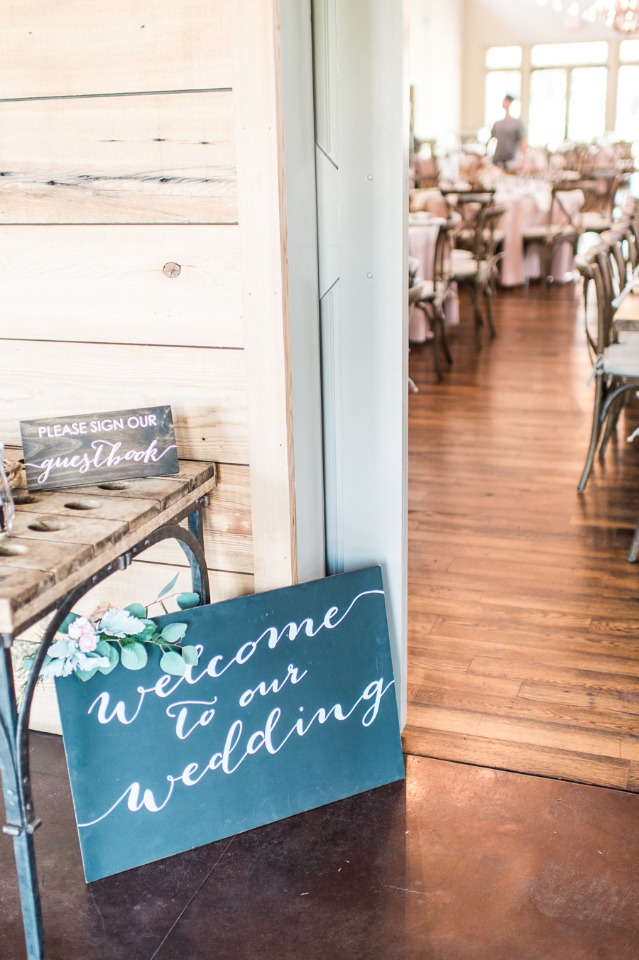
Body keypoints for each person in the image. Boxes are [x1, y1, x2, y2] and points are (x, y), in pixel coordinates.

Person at [491, 94, 526, 168]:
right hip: (497, 160)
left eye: (508, 101)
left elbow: (523, 142)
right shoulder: (497, 124)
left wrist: (523, 161)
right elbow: (492, 140)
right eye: (505, 100)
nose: (505, 103)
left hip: (511, 161)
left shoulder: (518, 123)